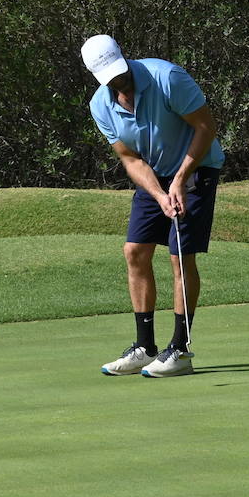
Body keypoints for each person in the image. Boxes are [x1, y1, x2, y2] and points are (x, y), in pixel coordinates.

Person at [82, 34, 224, 377]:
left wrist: (179, 180)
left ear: (123, 57)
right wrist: (160, 194)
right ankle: (145, 347)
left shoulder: (166, 78)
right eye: (110, 78)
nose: (120, 82)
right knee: (135, 251)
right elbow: (130, 159)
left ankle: (181, 349)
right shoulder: (101, 106)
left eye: (120, 71)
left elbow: (205, 128)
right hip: (153, 176)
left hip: (196, 167)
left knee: (179, 256)